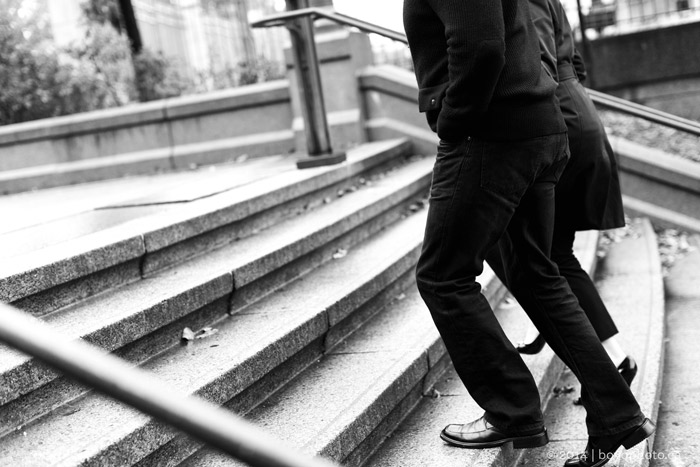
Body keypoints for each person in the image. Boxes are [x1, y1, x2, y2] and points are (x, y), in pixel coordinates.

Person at [402, 0, 654, 465]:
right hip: (535, 126)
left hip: (492, 135)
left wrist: (454, 123)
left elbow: (481, 49)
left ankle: (511, 410)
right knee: (538, 274)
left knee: (443, 276)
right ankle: (616, 413)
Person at [488, 0, 636, 394]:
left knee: (547, 254)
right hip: (574, 110)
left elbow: (536, 61)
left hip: (558, 118)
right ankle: (600, 349)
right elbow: (573, 62)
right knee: (551, 252)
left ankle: (613, 358)